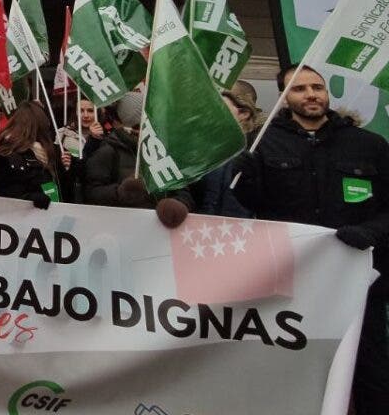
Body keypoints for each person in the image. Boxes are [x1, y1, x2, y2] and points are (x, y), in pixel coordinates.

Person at [232, 64, 389, 414]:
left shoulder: (369, 145)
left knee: (371, 371)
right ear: (285, 98)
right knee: (293, 368)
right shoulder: (263, 142)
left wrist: (371, 232)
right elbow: (252, 204)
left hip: (359, 281)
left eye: (316, 87)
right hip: (295, 283)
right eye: (299, 89)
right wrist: (243, 174)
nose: (311, 94)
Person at [82, 91, 191, 227]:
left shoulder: (161, 152)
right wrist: (120, 192)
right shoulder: (108, 151)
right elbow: (90, 193)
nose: (143, 131)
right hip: (121, 230)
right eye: (137, 126)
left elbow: (182, 191)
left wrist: (177, 204)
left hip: (158, 233)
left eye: (148, 125)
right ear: (123, 125)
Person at [0, 101, 70, 208]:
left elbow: (66, 190)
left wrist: (69, 168)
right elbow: (2, 193)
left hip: (52, 218)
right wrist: (29, 198)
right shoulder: (4, 155)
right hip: (19, 219)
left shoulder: (53, 153)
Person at [193, 90, 254, 218]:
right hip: (199, 230)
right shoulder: (195, 153)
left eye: (218, 106)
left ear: (243, 113)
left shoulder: (256, 151)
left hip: (241, 232)